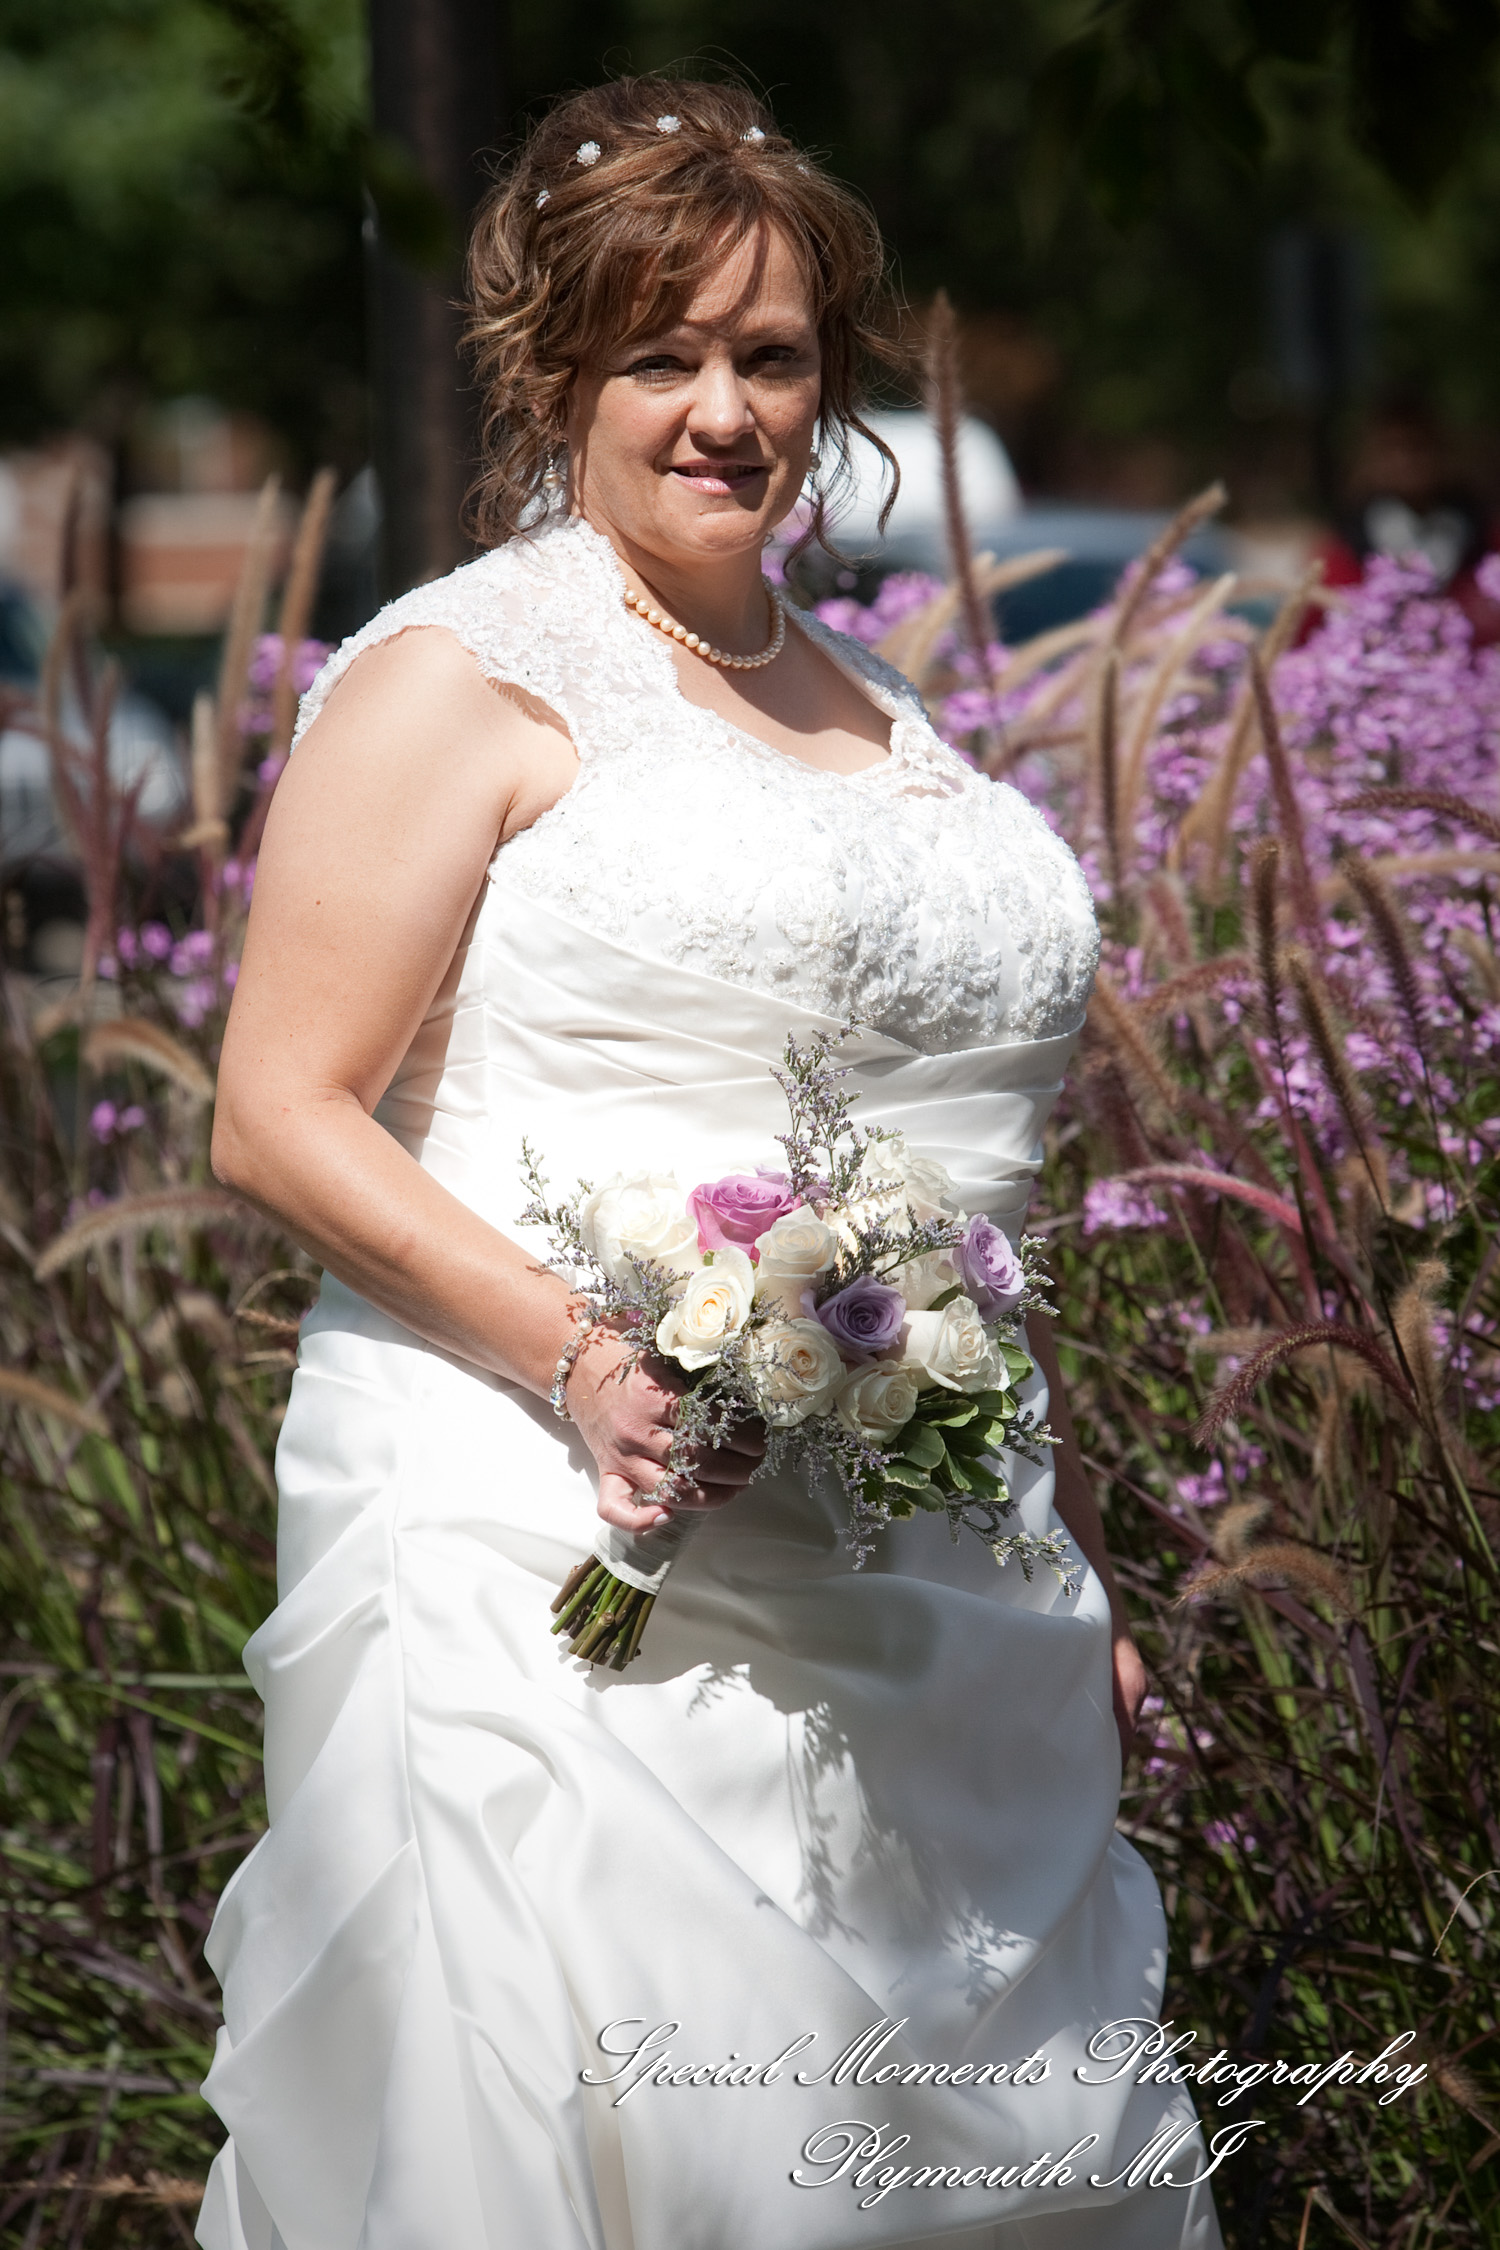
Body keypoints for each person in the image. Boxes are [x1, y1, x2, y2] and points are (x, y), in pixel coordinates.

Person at [197, 76, 1224, 2250]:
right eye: (660, 354)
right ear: (556, 372)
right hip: (535, 1530)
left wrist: (1054, 1550)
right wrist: (586, 1361)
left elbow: (956, 1212)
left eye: (770, 355)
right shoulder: (466, 676)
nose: (721, 409)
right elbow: (275, 1110)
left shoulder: (877, 717)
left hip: (929, 1586)